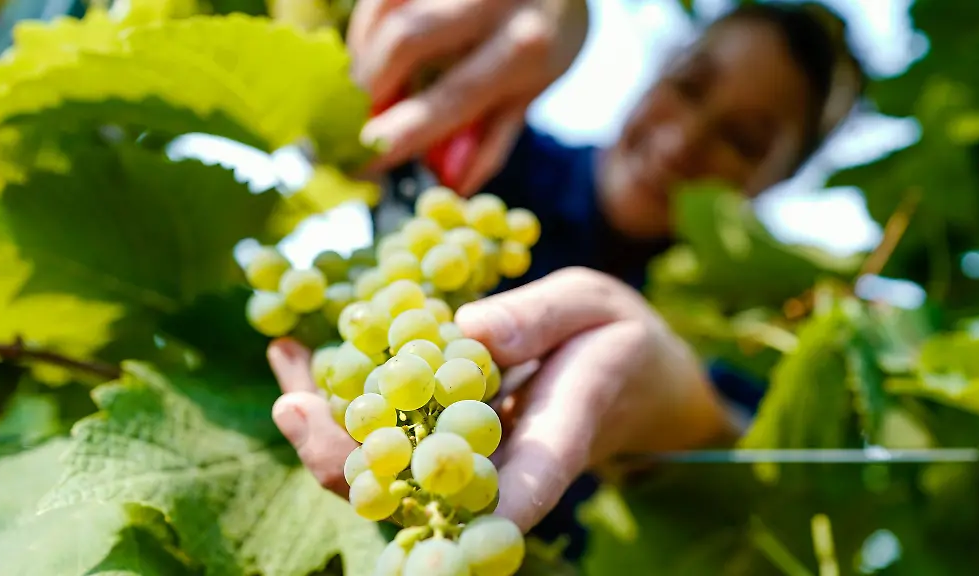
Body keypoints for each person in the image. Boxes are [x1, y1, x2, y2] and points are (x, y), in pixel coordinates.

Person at [268, 0, 865, 561]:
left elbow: (774, 468)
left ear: (780, 178)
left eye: (743, 141)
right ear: (659, 68)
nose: (684, 140)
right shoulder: (482, 155)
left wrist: (687, 419)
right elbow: (347, 58)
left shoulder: (760, 325)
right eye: (688, 85)